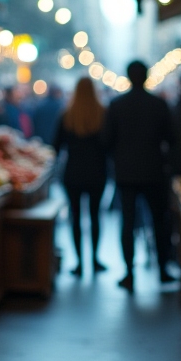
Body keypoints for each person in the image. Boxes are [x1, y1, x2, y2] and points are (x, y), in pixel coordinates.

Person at [102, 60, 176, 291]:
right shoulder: (159, 104)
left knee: (128, 223)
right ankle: (163, 270)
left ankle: (129, 273)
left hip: (126, 174)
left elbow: (106, 141)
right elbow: (172, 138)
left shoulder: (116, 105)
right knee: (158, 221)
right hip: (154, 172)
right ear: (146, 77)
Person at [52, 78, 110, 278]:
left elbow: (56, 146)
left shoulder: (67, 115)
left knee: (75, 217)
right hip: (97, 172)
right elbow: (109, 144)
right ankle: (94, 259)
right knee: (95, 216)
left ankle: (78, 262)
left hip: (73, 172)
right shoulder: (102, 114)